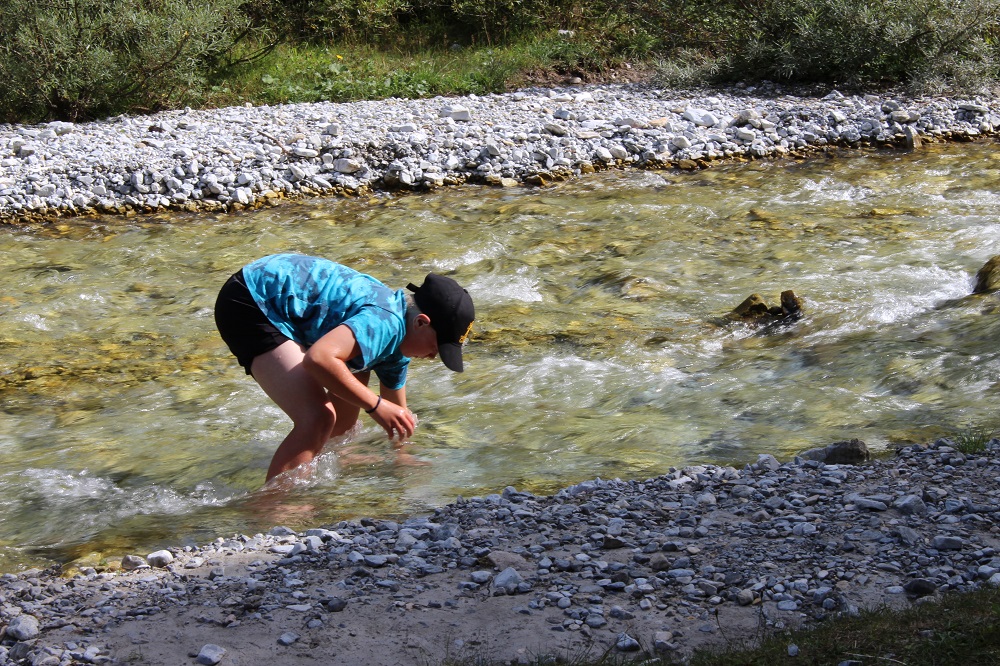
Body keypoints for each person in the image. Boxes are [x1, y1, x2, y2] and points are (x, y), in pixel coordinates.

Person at [214, 253, 475, 483]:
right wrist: (375, 405)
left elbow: (398, 417)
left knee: (349, 409)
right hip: (253, 299)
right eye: (437, 348)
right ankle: (275, 508)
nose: (433, 357)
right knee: (318, 417)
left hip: (282, 293)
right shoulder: (385, 322)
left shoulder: (398, 349)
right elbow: (318, 359)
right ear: (420, 322)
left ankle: (321, 459)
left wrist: (401, 459)